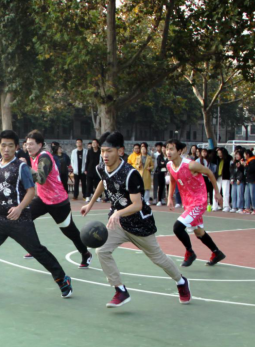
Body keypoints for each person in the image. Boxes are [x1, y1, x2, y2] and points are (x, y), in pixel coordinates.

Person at [81, 132, 192, 308]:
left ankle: (181, 281)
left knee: (158, 259)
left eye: (109, 151)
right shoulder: (101, 167)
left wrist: (118, 213)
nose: (105, 155)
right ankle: (120, 290)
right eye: (102, 151)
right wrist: (91, 203)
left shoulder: (130, 174)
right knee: (102, 251)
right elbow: (103, 181)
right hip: (118, 223)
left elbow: (137, 205)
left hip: (139, 224)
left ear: (120, 151)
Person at [0, 130, 73, 299]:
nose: (6, 149)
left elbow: (31, 191)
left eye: (10, 146)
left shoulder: (21, 167)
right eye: (3, 145)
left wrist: (20, 208)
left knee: (37, 250)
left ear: (16, 147)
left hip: (19, 219)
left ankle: (62, 279)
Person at [23, 131, 93, 268]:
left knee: (69, 231)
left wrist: (25, 168)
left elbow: (41, 179)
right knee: (24, 217)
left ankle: (85, 253)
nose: (28, 147)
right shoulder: (33, 156)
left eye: (31, 144)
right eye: (26, 144)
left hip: (58, 202)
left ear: (40, 145)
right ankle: (35, 248)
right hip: (42, 199)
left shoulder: (44, 157)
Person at [166, 139, 226, 268]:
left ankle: (190, 253)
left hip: (199, 202)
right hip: (188, 202)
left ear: (180, 151)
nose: (168, 152)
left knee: (177, 227)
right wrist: (170, 197)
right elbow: (172, 180)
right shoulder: (170, 165)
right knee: (199, 232)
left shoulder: (191, 165)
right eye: (167, 149)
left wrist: (217, 192)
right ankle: (217, 252)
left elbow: (209, 173)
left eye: (171, 149)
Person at [244, 150, 255, 215]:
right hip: (249, 180)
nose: (244, 156)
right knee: (247, 195)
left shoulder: (254, 161)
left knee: (253, 195)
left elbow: (250, 170)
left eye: (245, 155)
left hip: (254, 180)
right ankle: (247, 208)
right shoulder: (249, 161)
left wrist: (245, 165)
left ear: (248, 155)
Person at [85, 138, 102, 203]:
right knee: (89, 184)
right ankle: (88, 196)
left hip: (98, 170)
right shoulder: (89, 151)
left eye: (95, 143)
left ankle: (98, 197)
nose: (93, 144)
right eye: (93, 143)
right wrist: (86, 169)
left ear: (97, 144)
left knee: (97, 184)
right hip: (90, 169)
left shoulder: (100, 151)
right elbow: (87, 161)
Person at [216, 148, 232, 212]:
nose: (219, 154)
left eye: (220, 153)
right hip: (218, 176)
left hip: (225, 177)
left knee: (225, 192)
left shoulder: (228, 159)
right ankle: (216, 205)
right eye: (218, 153)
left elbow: (229, 158)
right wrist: (215, 150)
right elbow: (212, 156)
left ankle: (226, 206)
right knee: (216, 191)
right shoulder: (217, 159)